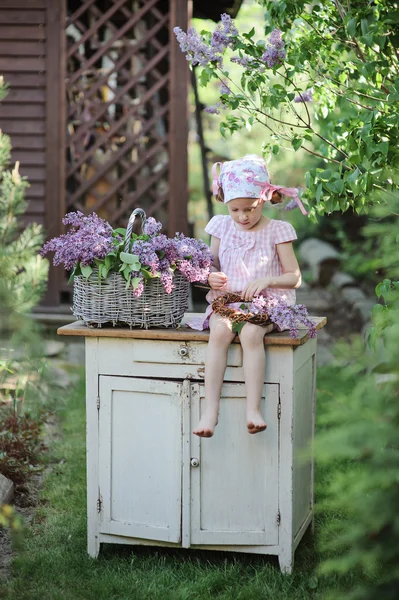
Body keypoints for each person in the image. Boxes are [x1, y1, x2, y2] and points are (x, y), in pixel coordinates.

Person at [188, 155, 306, 438]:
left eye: (250, 209)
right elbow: (211, 264)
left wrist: (268, 279)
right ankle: (210, 411)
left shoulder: (277, 231)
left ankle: (253, 409)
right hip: (228, 301)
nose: (243, 216)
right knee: (220, 332)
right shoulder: (221, 226)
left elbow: (295, 276)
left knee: (252, 335)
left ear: (264, 199)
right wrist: (210, 276)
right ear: (226, 205)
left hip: (268, 302)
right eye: (235, 209)